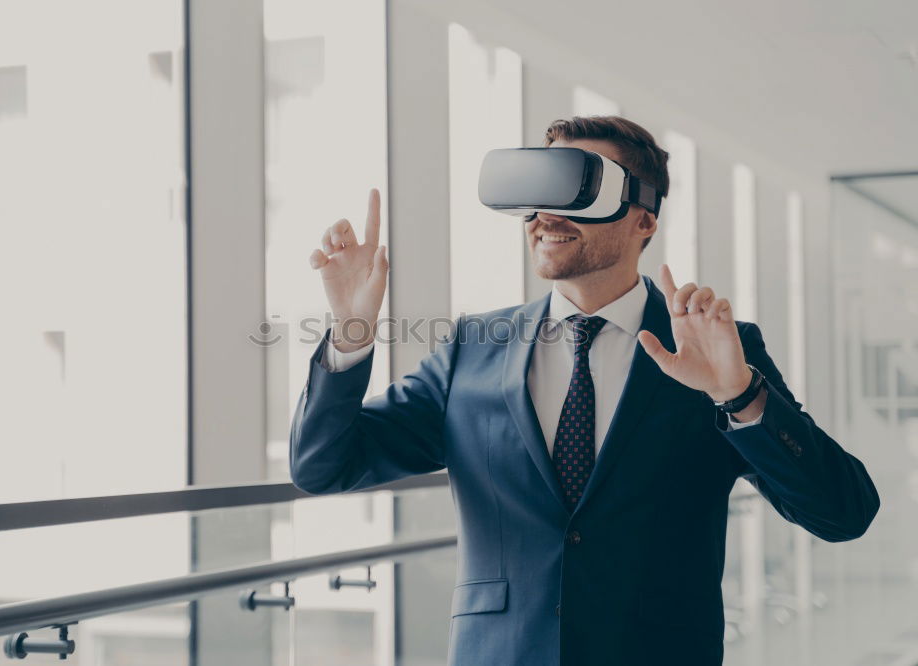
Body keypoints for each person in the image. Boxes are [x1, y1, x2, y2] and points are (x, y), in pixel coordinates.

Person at [289, 116, 880, 665]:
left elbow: (843, 513)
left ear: (644, 219)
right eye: (536, 194)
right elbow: (324, 466)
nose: (546, 215)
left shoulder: (716, 349)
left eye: (576, 191)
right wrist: (351, 332)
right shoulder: (474, 347)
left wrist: (739, 395)